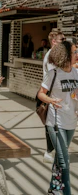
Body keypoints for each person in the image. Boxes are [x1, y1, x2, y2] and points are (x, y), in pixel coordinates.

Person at [38, 41, 78, 195]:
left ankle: (54, 187)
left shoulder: (76, 73)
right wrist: (50, 100)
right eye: (74, 52)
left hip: (71, 121)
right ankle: (67, 192)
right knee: (64, 160)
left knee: (60, 157)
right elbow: (40, 93)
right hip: (55, 121)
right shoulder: (53, 73)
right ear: (66, 55)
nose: (77, 55)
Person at [43, 29, 66, 163]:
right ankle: (50, 152)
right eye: (61, 40)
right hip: (51, 93)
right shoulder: (52, 56)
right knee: (52, 124)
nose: (63, 42)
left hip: (52, 93)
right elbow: (54, 75)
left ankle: (53, 151)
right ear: (53, 41)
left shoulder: (53, 54)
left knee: (54, 123)